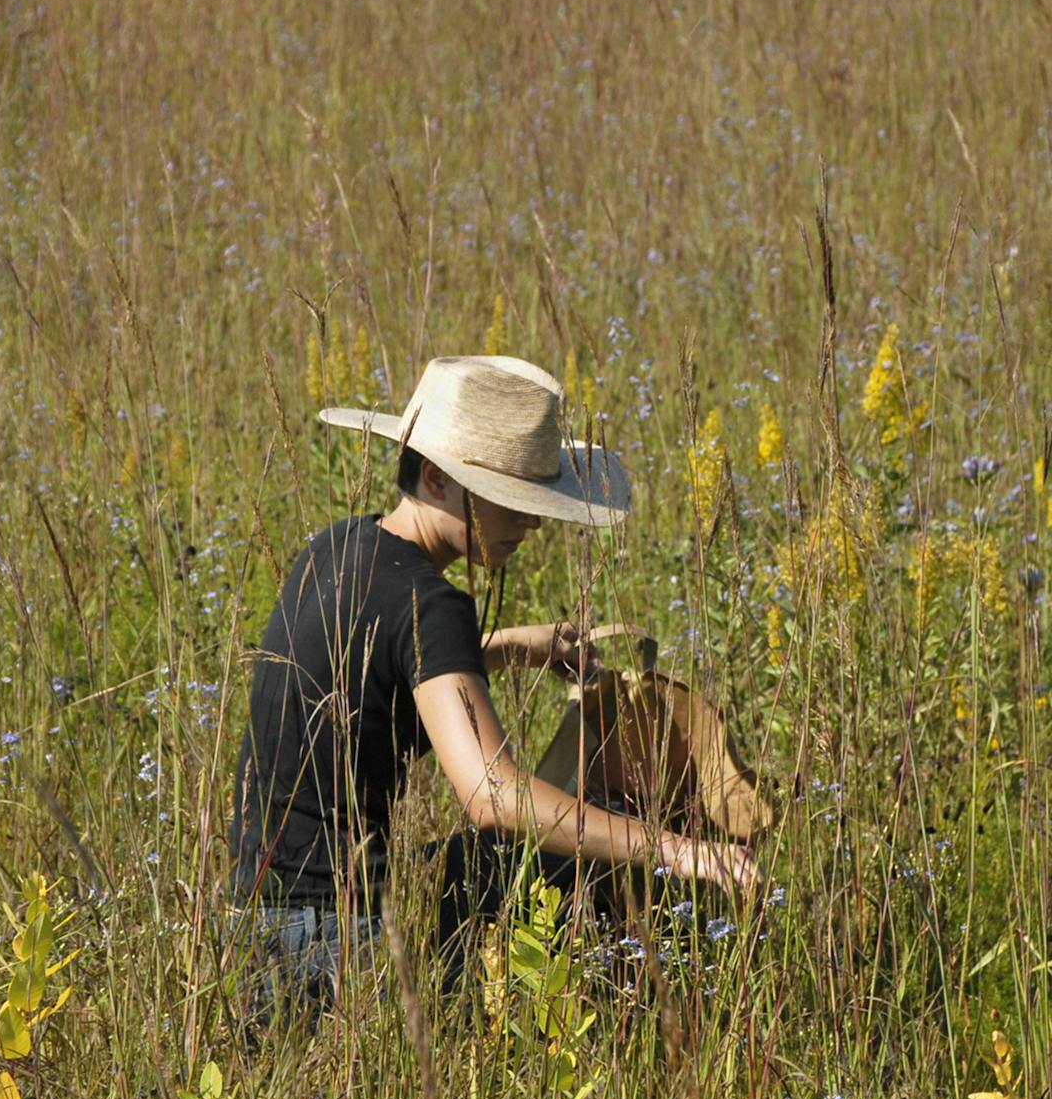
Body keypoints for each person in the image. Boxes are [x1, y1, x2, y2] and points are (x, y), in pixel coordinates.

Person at [228, 355, 761, 1011]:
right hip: (341, 947)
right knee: (598, 855)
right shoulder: (432, 603)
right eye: (513, 500)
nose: (532, 522)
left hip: (255, 931)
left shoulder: (340, 547)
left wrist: (509, 647)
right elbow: (492, 796)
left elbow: (376, 676)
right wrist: (678, 850)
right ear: (436, 479)